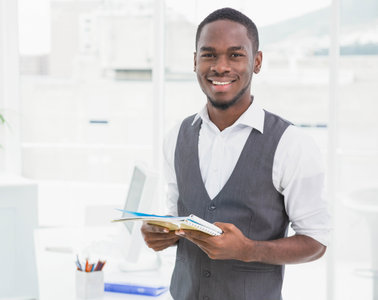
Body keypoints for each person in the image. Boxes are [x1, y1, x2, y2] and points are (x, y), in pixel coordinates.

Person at [141, 7, 330, 300]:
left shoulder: (291, 144)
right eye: (209, 55)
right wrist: (162, 235)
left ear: (257, 62)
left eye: (235, 55)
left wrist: (249, 250)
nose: (221, 67)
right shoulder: (176, 137)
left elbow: (316, 241)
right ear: (195, 62)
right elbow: (176, 216)